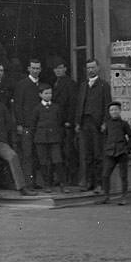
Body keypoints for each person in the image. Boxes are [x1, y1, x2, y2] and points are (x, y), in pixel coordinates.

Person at [75, 58, 112, 192]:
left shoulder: (104, 85)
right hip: (85, 123)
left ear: (98, 68)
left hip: (97, 124)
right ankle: (88, 182)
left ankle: (99, 184)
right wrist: (78, 122)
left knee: (98, 155)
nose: (90, 70)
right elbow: (80, 105)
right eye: (88, 68)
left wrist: (105, 122)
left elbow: (108, 105)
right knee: (87, 155)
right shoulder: (83, 85)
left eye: (92, 67)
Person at [11, 58, 43, 188]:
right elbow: (17, 105)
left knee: (37, 154)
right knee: (27, 154)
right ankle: (27, 183)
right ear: (28, 69)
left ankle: (35, 181)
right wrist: (19, 123)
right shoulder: (22, 84)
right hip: (26, 125)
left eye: (37, 68)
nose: (35, 71)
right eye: (33, 68)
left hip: (39, 126)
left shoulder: (41, 85)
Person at [29, 83, 67, 192]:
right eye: (46, 93)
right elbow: (33, 124)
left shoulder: (56, 107)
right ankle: (47, 184)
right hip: (41, 139)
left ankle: (62, 183)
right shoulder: (37, 109)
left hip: (54, 138)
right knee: (44, 162)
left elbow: (60, 121)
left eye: (50, 93)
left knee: (57, 160)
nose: (48, 95)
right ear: (40, 95)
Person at [48, 56, 77, 185]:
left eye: (61, 68)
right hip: (57, 122)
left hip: (66, 123)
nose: (58, 70)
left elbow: (72, 104)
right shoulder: (55, 83)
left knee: (68, 151)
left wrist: (69, 121)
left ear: (65, 69)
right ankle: (60, 178)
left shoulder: (70, 83)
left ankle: (70, 178)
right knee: (58, 151)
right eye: (56, 68)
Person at [100, 101, 131, 205]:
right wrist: (105, 149)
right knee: (105, 175)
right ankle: (106, 196)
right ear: (109, 112)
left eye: (115, 110)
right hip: (110, 152)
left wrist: (128, 149)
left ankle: (124, 197)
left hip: (121, 152)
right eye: (111, 110)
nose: (113, 112)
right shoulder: (107, 124)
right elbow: (104, 137)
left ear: (119, 111)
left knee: (123, 176)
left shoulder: (124, 124)